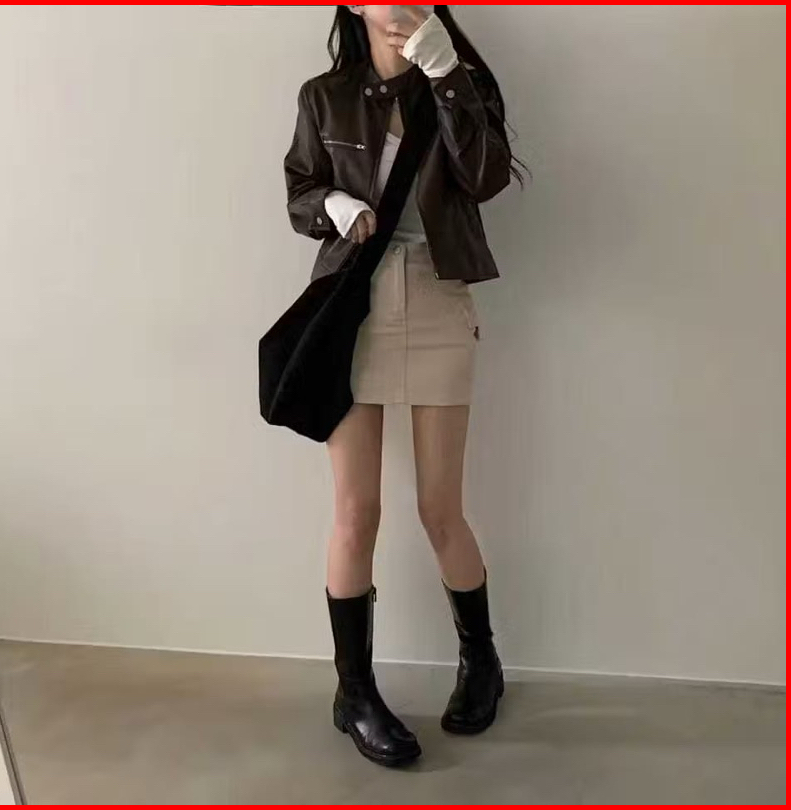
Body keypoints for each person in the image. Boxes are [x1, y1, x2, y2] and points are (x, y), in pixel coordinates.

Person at [283, 5, 524, 767]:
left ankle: (481, 662)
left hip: (441, 297)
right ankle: (353, 691)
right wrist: (331, 203)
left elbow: (484, 178)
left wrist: (447, 74)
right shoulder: (325, 95)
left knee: (440, 507)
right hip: (352, 302)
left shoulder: (463, 79)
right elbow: (299, 190)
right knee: (357, 511)